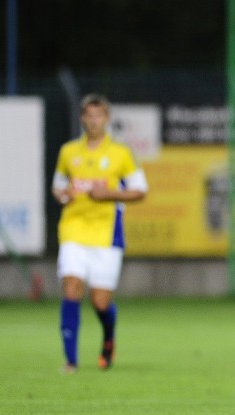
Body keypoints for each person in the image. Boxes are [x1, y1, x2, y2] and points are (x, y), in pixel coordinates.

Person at [51, 93, 148, 372]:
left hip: (107, 233)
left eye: (98, 116)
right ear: (82, 118)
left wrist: (109, 194)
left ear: (106, 119)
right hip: (73, 229)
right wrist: (63, 195)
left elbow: (140, 191)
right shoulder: (69, 151)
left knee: (100, 300)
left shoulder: (120, 153)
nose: (93, 121)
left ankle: (108, 339)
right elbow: (58, 187)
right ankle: (70, 360)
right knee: (71, 286)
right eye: (88, 116)